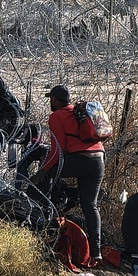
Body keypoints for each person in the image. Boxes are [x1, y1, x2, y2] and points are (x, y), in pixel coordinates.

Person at [31, 85, 105, 265]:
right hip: (98, 160)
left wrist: (42, 171)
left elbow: (58, 150)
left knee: (43, 180)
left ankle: (36, 219)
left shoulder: (56, 116)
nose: (50, 102)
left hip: (77, 160)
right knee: (90, 205)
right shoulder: (79, 113)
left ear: (55, 100)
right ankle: (96, 254)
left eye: (51, 99)